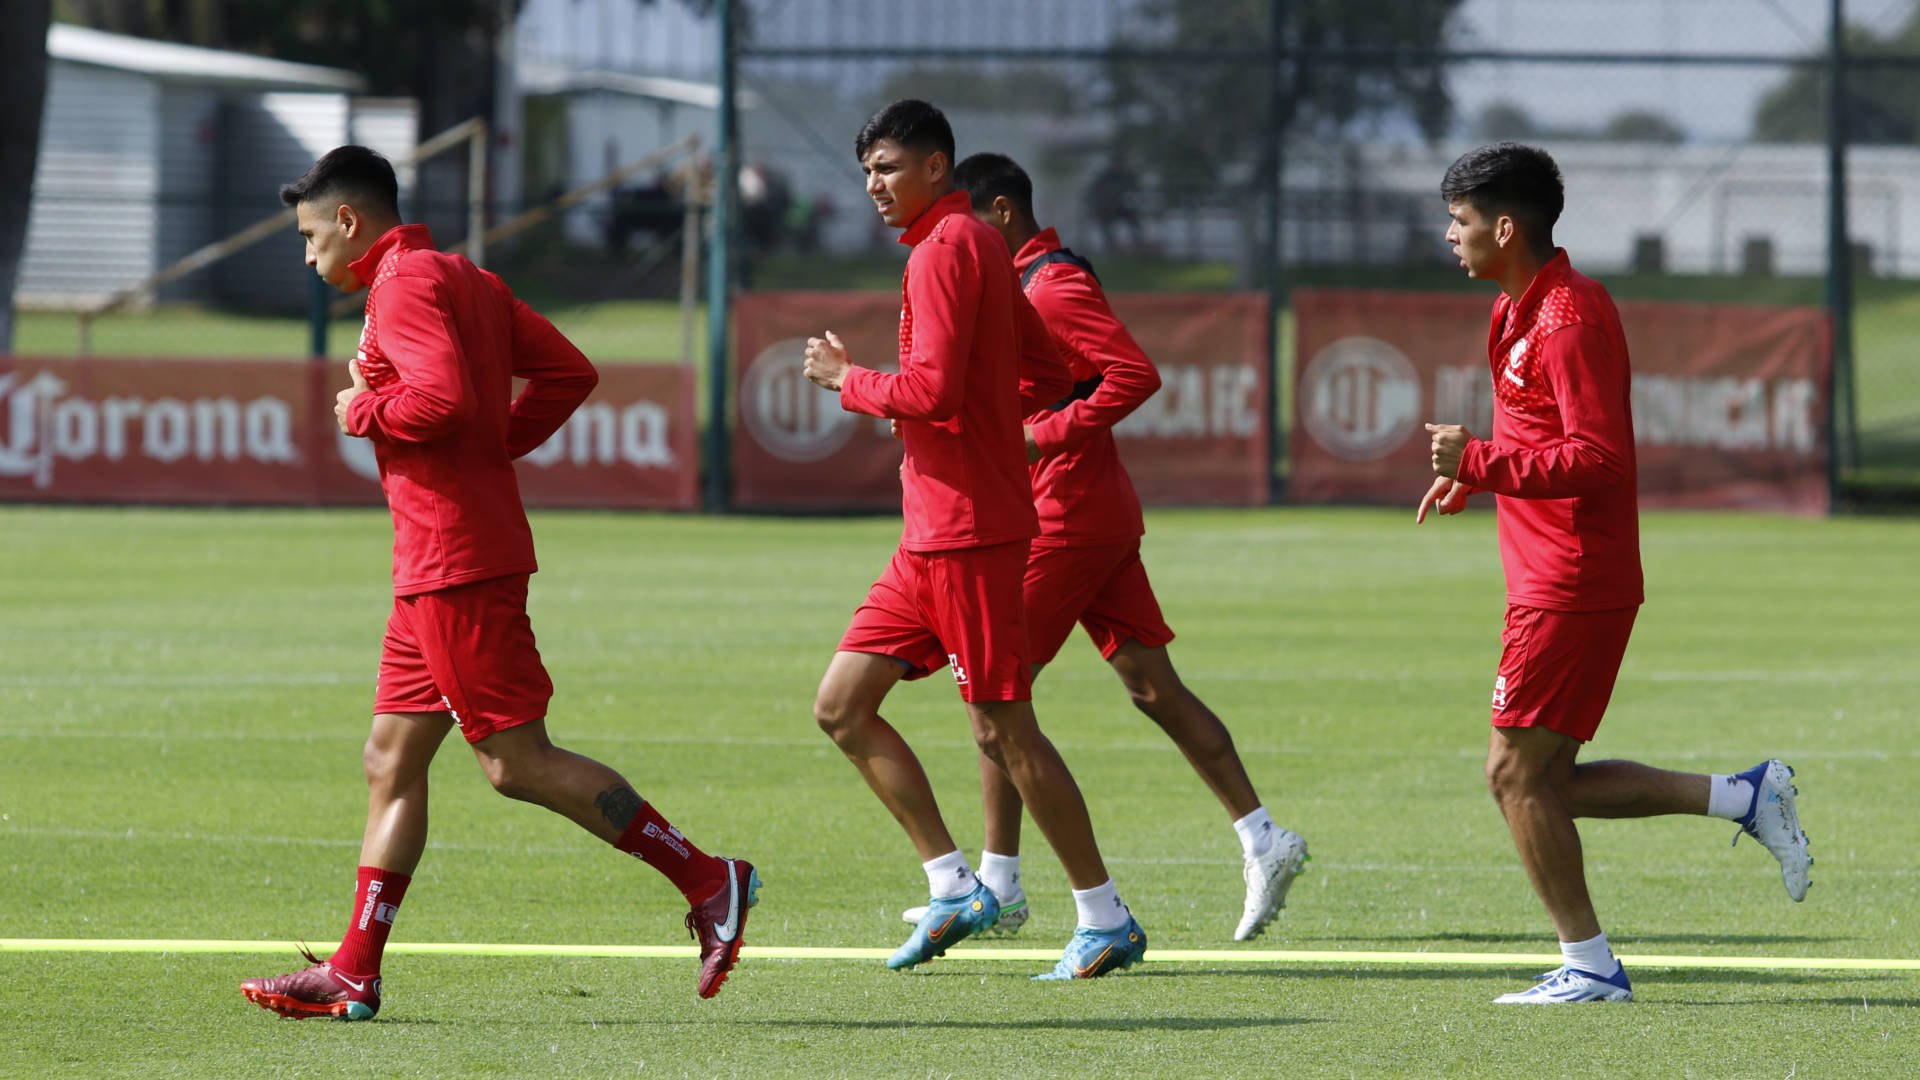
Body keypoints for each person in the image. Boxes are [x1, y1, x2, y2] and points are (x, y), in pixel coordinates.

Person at [240, 146, 758, 1020]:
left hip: (456, 562)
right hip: (435, 566)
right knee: (390, 759)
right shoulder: (465, 279)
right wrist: (497, 447)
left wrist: (362, 410)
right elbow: (569, 372)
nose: (307, 253)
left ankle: (711, 881)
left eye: (310, 234)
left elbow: (437, 401)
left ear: (351, 223)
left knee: (516, 764)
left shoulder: (400, 288)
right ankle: (354, 970)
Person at [1418, 142, 1813, 1005]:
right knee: (1547, 781)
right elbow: (1538, 436)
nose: (1450, 233)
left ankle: (1592, 966)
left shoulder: (1568, 318)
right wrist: (1472, 476)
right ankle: (1744, 797)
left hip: (1572, 579)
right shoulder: (1515, 308)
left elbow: (1598, 457)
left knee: (1512, 776)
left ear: (1506, 226)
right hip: (1550, 574)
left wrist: (1482, 460)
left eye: (1461, 220)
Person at [894, 151, 1306, 942]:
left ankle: (1002, 886)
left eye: (968, 218)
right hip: (1089, 514)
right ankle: (1264, 837)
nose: (957, 235)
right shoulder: (1009, 282)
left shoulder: (1051, 284)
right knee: (1151, 686)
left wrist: (1035, 438)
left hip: (1064, 517)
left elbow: (1133, 374)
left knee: (997, 701)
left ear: (1002, 212)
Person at [801, 100, 1147, 980]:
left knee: (1005, 730)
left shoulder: (947, 249)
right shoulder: (978, 248)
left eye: (886, 167)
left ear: (934, 165)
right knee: (842, 704)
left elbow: (933, 392)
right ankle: (954, 883)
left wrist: (850, 380)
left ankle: (1103, 916)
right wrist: (972, 417)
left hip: (970, 534)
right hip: (934, 531)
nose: (873, 186)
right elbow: (1050, 371)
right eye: (867, 172)